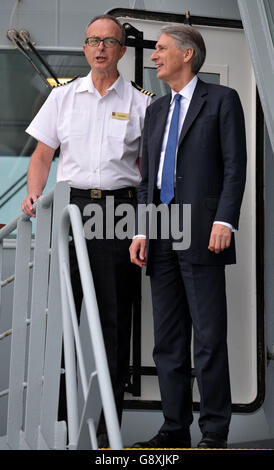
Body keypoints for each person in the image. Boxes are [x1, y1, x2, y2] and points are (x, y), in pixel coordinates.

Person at [21, 14, 152, 448]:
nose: (100, 48)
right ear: (84, 48)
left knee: (114, 324)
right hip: (70, 210)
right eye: (93, 41)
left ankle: (102, 429)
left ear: (121, 50)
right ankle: (60, 426)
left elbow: (145, 171)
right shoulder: (63, 98)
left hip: (119, 214)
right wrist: (34, 197)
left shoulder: (141, 103)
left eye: (108, 41)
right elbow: (42, 155)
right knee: (62, 321)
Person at [130, 24, 246, 449]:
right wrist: (141, 228)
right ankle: (173, 429)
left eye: (161, 49)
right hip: (160, 235)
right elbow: (147, 179)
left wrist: (225, 221)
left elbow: (235, 166)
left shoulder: (223, 100)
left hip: (203, 231)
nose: (154, 56)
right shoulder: (156, 111)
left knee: (210, 339)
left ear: (187, 54)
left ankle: (214, 431)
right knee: (168, 342)